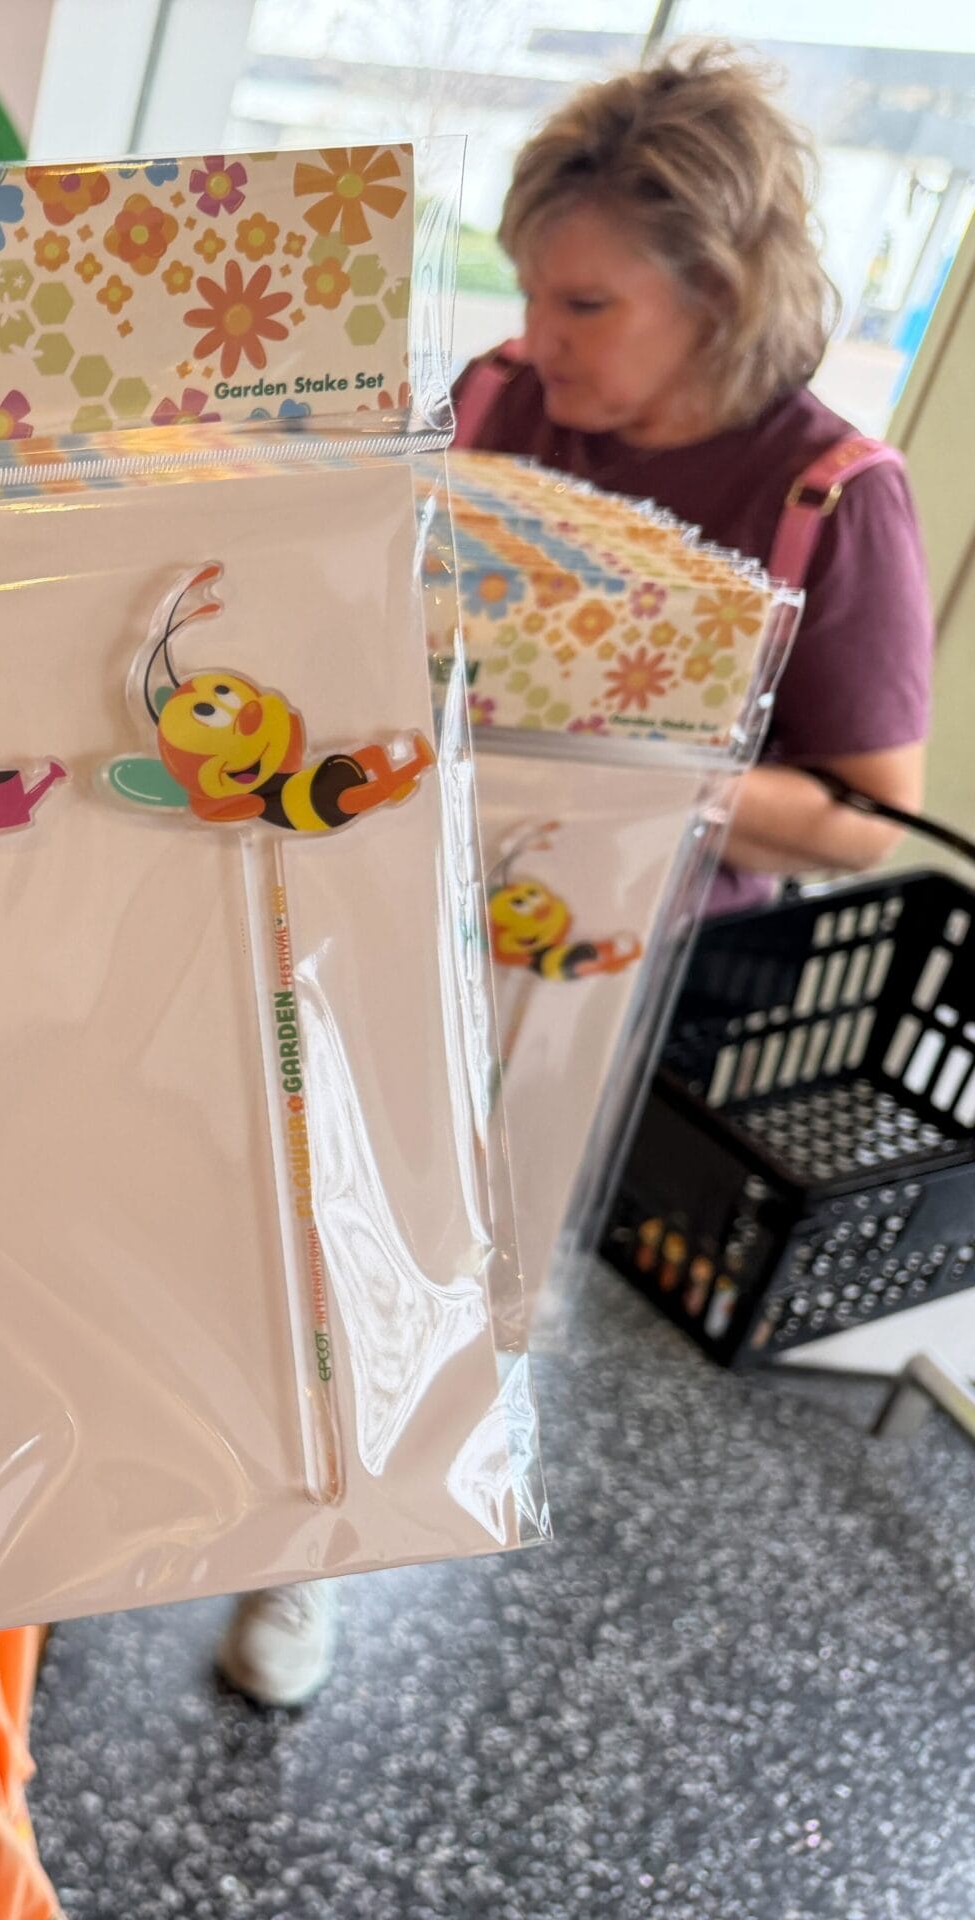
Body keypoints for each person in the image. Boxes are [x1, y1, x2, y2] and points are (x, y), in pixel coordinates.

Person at [216, 44, 936, 1711]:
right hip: (390, 902)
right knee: (292, 1218)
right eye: (533, 290)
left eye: (587, 304)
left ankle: (317, 1551)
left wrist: (617, 772)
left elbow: (863, 820)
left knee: (449, 1277)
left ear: (722, 293)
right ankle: (222, 1497)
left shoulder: (830, 498)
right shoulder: (494, 406)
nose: (539, 337)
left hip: (585, 977)